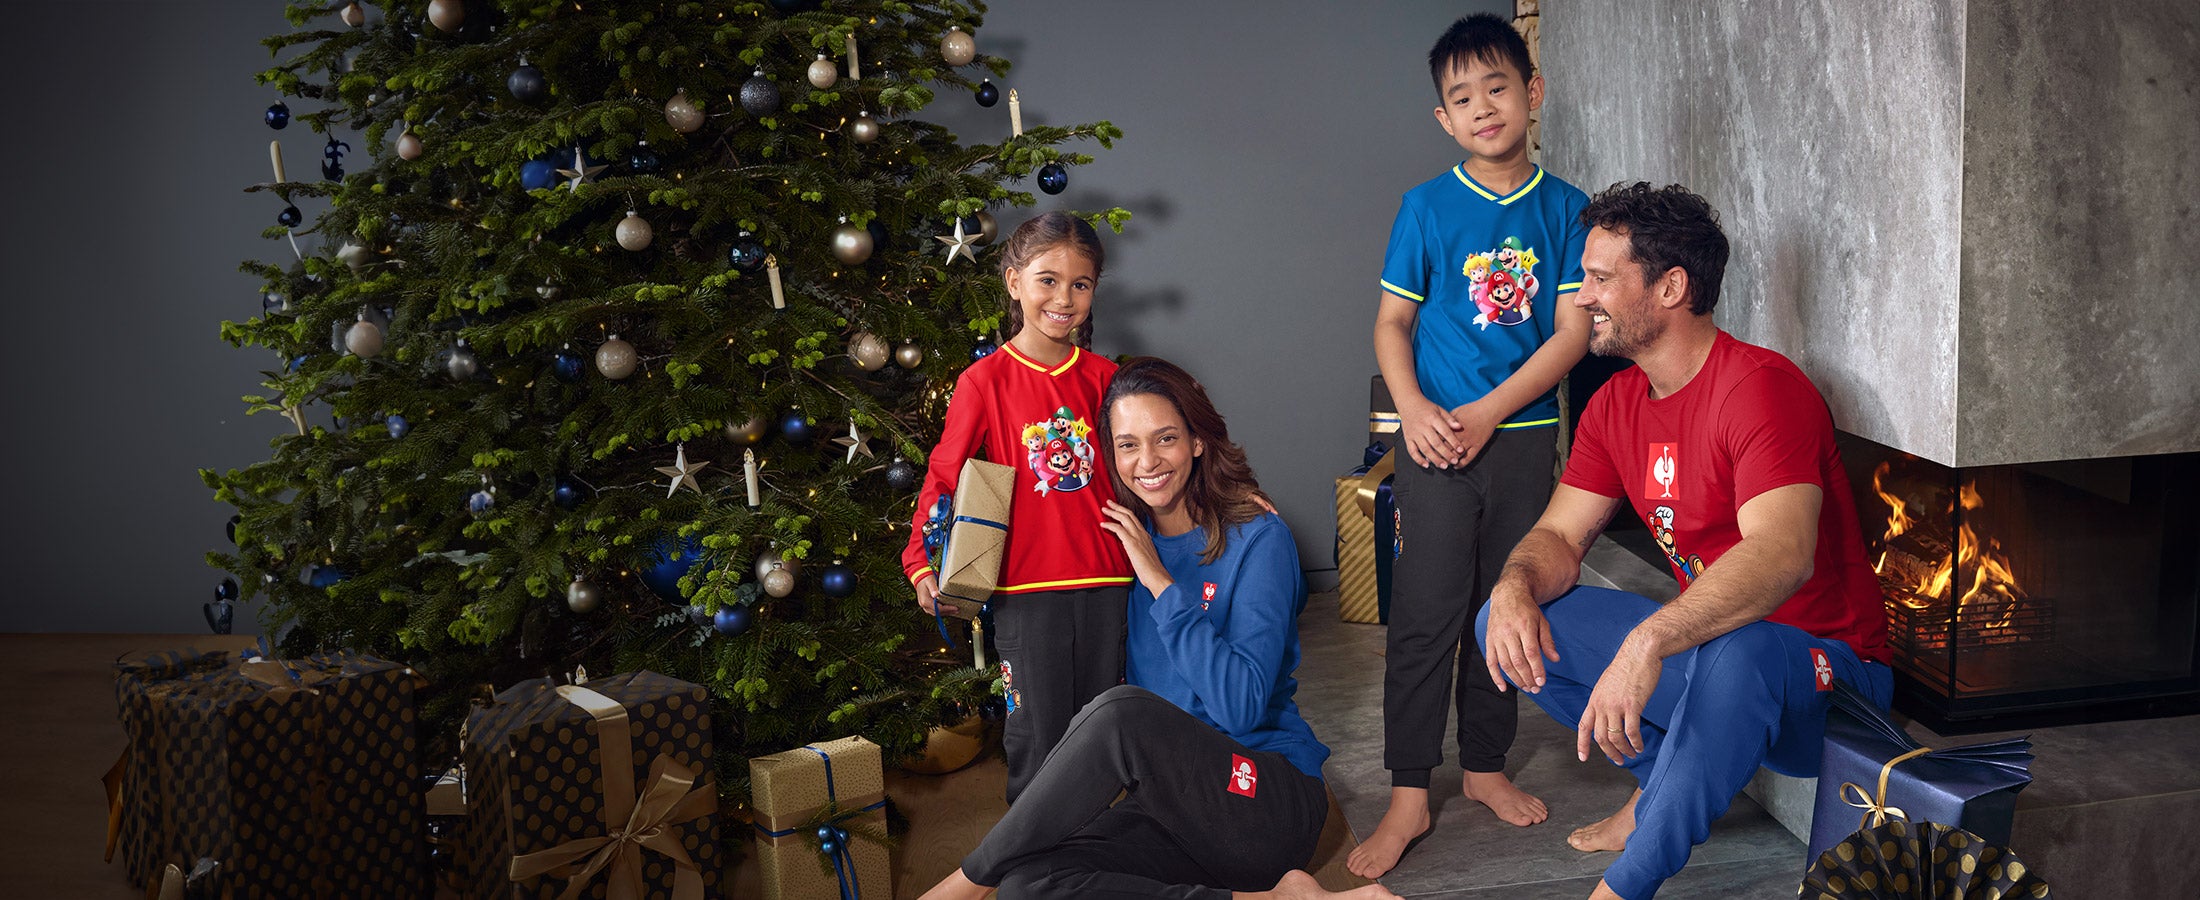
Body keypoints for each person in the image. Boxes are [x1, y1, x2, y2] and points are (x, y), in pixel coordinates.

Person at [1475, 182, 1892, 900]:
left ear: (1670, 286)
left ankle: (1625, 887)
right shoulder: (1615, 404)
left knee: (1744, 647)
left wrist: (1648, 643)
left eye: (1602, 279)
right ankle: (1655, 789)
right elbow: (1557, 535)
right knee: (1507, 619)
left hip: (1827, 680)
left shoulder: (1762, 388)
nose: (1581, 298)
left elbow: (1782, 554)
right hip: (1715, 651)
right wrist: (1514, 587)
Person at [919, 358, 1398, 900]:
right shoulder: (1115, 542)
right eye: (1126, 445)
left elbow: (1240, 707)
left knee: (1123, 712)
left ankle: (962, 885)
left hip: (1262, 802)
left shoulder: (1259, 540)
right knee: (1029, 885)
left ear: (1197, 440)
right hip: (1172, 808)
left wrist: (1161, 583)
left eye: (1165, 438)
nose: (1147, 461)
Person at [1351, 12, 1594, 879]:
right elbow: (1392, 321)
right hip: (1434, 441)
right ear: (1444, 119)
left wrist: (1490, 411)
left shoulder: (1568, 209)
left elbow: (1569, 336)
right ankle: (1410, 792)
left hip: (1522, 440)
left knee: (1503, 609)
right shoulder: (1425, 208)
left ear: (1532, 92)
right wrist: (1415, 410)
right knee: (1425, 615)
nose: (1483, 106)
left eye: (1498, 86)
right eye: (1462, 97)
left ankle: (1486, 766)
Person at [901, 211, 1133, 803]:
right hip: (1027, 592)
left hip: (1110, 579)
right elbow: (945, 474)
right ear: (1013, 283)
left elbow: (1151, 465)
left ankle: (1099, 858)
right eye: (1047, 280)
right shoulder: (985, 381)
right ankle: (1034, 870)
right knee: (1037, 738)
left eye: (1080, 284)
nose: (1064, 298)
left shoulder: (1108, 380)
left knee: (1107, 730)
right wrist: (920, 561)